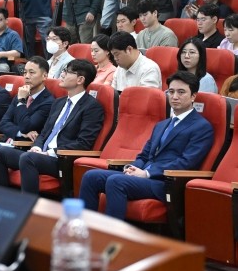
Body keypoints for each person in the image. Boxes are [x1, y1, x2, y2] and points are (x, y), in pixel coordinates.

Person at [79, 71, 213, 220]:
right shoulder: (162, 125)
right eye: (171, 91)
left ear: (193, 96)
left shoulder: (201, 127)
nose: (175, 97)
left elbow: (186, 162)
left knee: (116, 181)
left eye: (181, 92)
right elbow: (144, 154)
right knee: (91, 176)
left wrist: (147, 173)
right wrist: (133, 168)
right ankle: (86, 230)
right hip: (143, 176)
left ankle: (114, 238)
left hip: (165, 182)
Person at [0, 59, 104, 194]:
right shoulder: (59, 102)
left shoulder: (92, 107)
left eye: (66, 72)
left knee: (28, 158)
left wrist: (49, 152)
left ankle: (28, 208)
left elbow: (84, 143)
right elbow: (44, 133)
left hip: (61, 159)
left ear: (80, 79)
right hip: (41, 154)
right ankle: (1, 201)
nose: (62, 75)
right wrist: (37, 147)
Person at [0, 57, 54, 182]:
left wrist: (22, 101)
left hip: (24, 147)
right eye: (25, 72)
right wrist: (19, 132)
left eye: (32, 72)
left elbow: (27, 126)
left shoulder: (48, 102)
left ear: (44, 76)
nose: (27, 76)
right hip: (8, 140)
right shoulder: (20, 94)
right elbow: (3, 123)